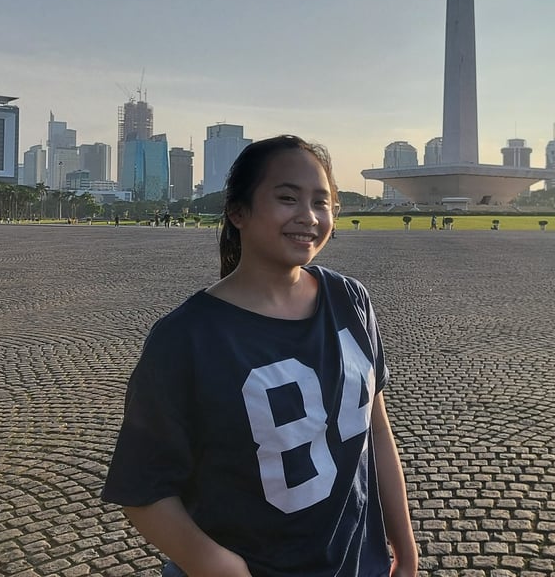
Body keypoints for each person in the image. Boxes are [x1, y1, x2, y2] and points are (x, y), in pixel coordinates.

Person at [102, 135, 418, 577]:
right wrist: (221, 567)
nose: (308, 217)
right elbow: (143, 489)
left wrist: (403, 545)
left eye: (321, 203)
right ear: (238, 211)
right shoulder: (187, 337)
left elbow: (375, 430)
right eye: (287, 198)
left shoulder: (350, 300)